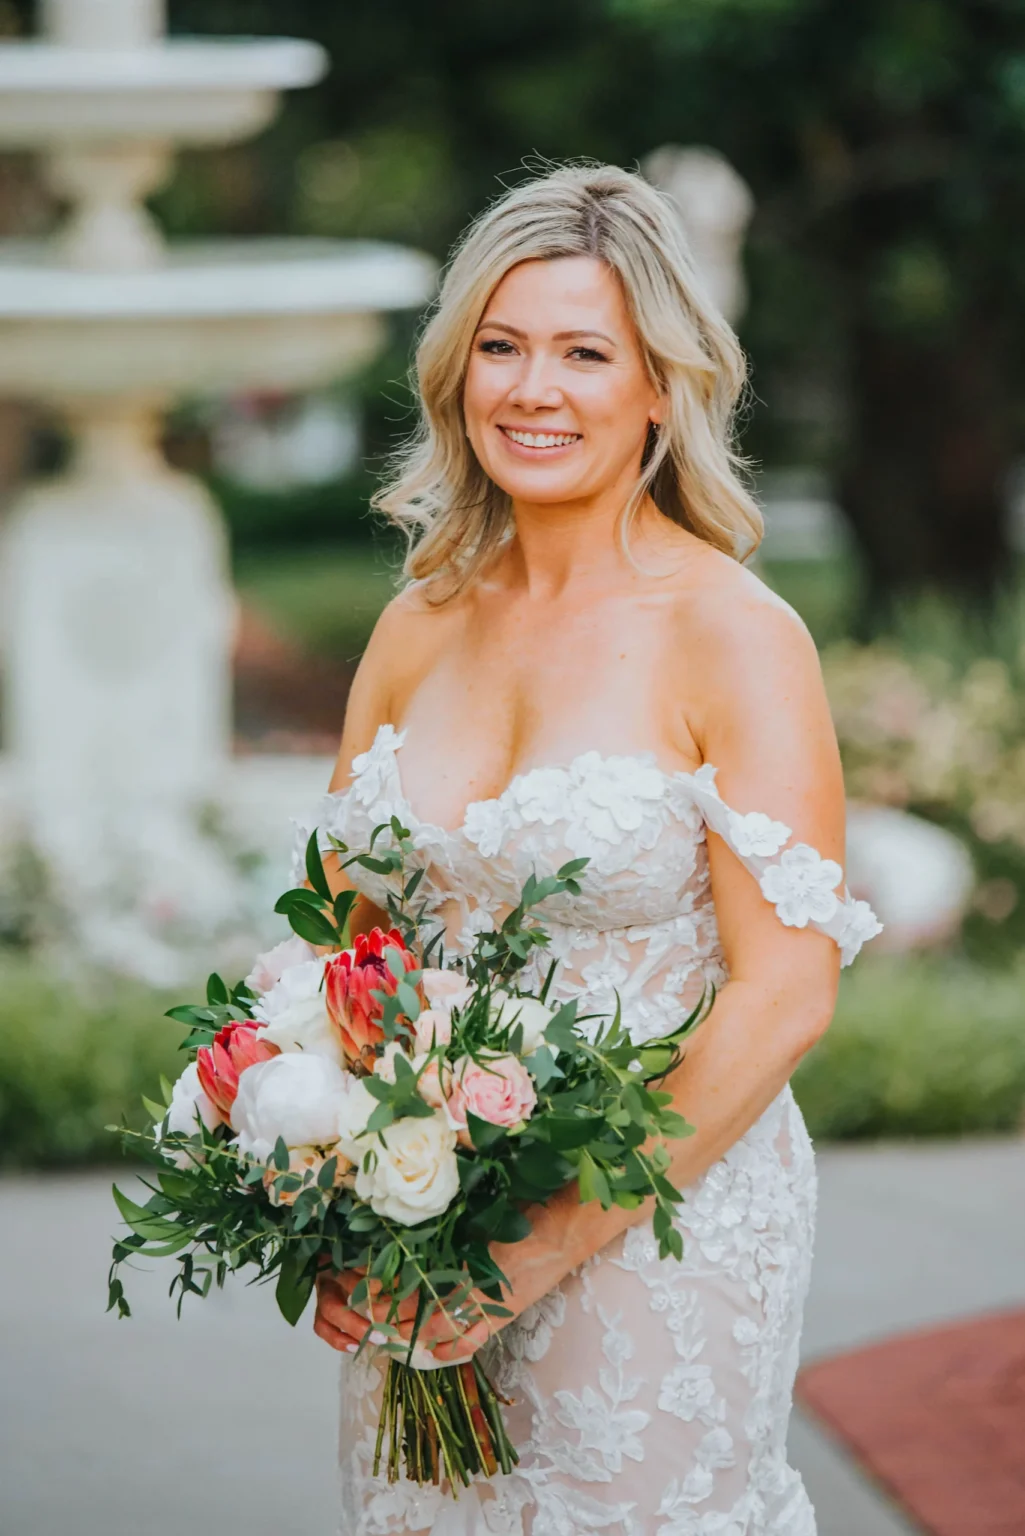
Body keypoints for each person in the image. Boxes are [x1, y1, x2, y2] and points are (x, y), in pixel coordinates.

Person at [303, 163, 881, 1536]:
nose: (532, 389)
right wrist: (331, 1195)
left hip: (657, 1232)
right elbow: (343, 941)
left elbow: (785, 990)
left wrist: (535, 1245)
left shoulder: (732, 633)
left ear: (661, 385)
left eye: (583, 352)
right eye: (499, 348)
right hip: (421, 1225)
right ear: (455, 374)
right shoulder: (419, 621)